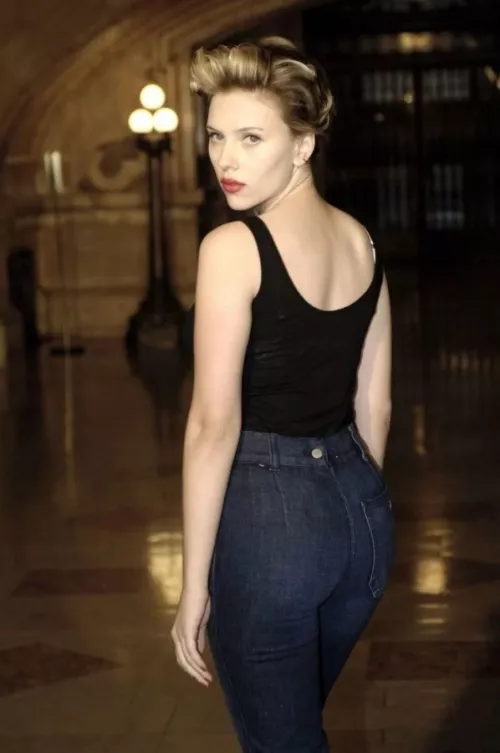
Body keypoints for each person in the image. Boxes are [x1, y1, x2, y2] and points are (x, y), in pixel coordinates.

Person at [171, 36, 394, 753]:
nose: (226, 160)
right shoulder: (362, 242)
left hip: (272, 532)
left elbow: (212, 425)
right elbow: (375, 406)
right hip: (363, 524)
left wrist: (193, 584)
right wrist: (349, 508)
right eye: (216, 136)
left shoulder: (232, 247)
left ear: (302, 145)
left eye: (251, 138)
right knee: (295, 731)